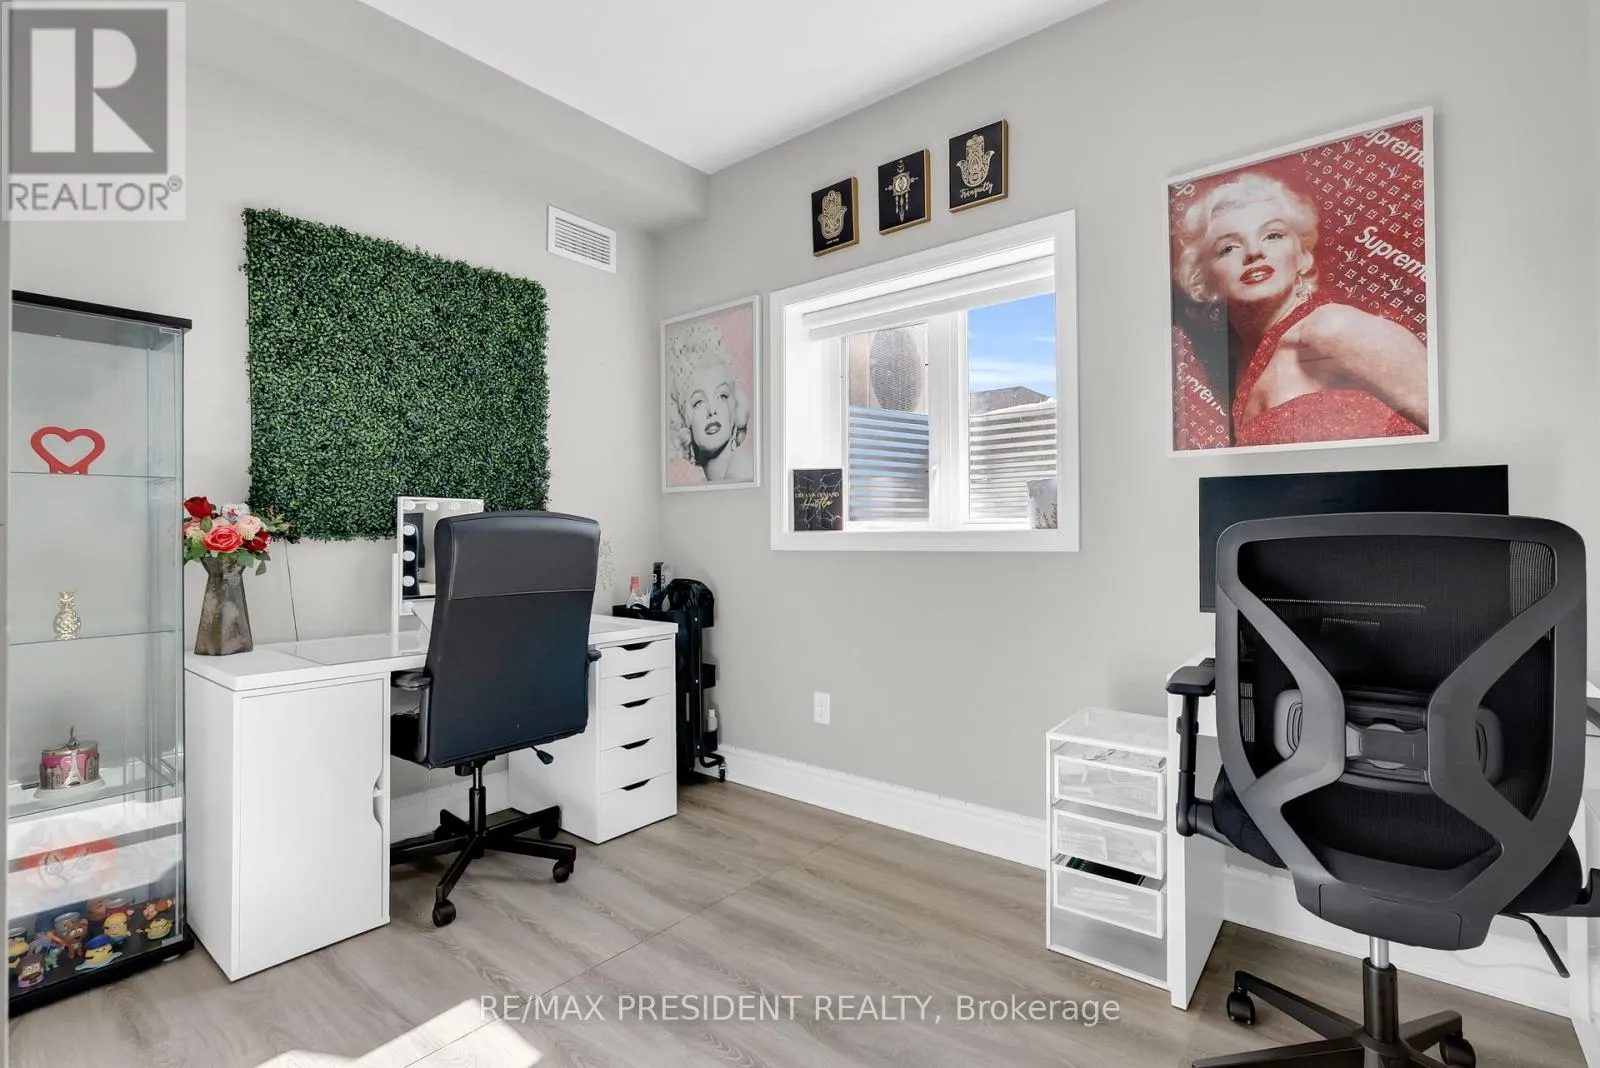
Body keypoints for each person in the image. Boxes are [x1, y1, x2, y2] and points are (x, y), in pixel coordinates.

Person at [1174, 172, 1428, 447]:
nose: (1254, 252)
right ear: (1207, 278)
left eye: (1273, 235)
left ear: (1303, 257)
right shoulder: (1237, 369)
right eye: (1228, 248)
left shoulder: (1332, 328)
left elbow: (1452, 424)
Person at [667, 321, 754, 483]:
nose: (712, 410)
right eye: (699, 402)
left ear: (734, 407)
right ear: (682, 422)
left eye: (722, 396)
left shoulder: (741, 468)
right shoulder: (707, 482)